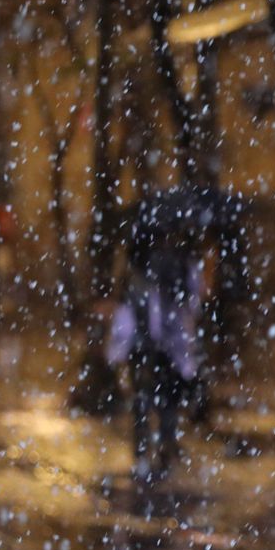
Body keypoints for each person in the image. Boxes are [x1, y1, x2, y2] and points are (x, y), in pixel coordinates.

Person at [106, 191, 210, 485]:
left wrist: (120, 347)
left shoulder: (140, 265)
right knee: (166, 399)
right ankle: (163, 448)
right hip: (168, 344)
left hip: (146, 343)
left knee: (146, 399)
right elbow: (193, 302)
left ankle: (145, 453)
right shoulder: (181, 262)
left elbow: (128, 308)